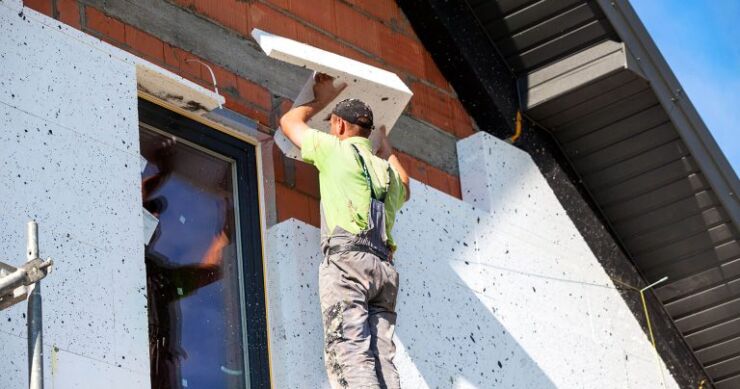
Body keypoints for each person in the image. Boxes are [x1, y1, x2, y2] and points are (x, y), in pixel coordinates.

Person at [280, 73, 410, 389]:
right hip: (383, 272)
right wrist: (387, 148)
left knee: (349, 351)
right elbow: (405, 186)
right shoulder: (388, 174)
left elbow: (290, 122)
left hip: (348, 265)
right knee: (382, 356)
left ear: (338, 126)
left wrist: (321, 97)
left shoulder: (335, 150)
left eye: (331, 125)